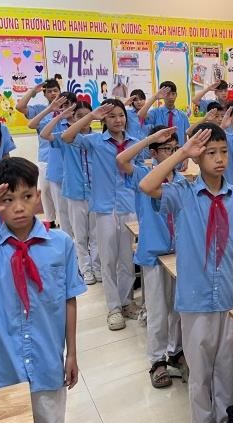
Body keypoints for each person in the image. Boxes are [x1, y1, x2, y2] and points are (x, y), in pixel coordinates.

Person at [139, 124, 233, 423]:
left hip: (228, 294)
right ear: (196, 157)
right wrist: (182, 152)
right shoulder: (183, 193)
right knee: (200, 371)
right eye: (210, 152)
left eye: (223, 152)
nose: (219, 159)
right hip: (195, 297)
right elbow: (147, 185)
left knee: (225, 367)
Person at [0, 157, 85, 423]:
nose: (19, 207)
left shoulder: (61, 244)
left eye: (27, 196)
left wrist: (72, 353)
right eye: (8, 200)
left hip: (47, 363)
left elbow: (69, 299)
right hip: (2, 369)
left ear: (39, 196)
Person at [116, 126, 187, 389]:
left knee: (179, 308)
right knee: (158, 310)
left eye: (175, 149)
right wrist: (151, 139)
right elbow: (121, 160)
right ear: (154, 153)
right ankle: (157, 361)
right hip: (155, 254)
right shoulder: (143, 175)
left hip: (179, 253)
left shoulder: (182, 181)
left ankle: (175, 351)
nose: (172, 153)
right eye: (166, 149)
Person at [61, 100, 139, 331]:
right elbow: (66, 136)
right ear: (104, 119)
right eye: (112, 116)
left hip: (128, 206)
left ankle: (127, 302)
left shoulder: (134, 143)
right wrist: (91, 116)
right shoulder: (95, 141)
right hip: (105, 209)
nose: (118, 120)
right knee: (108, 260)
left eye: (121, 115)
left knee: (127, 259)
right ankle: (113, 308)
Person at [41, 101, 101, 285]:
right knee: (80, 235)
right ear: (72, 118)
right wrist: (60, 115)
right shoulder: (65, 137)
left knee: (96, 235)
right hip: (75, 193)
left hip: (96, 193)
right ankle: (85, 269)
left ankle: (97, 267)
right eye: (79, 116)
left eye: (87, 115)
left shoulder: (98, 138)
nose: (84, 120)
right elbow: (44, 134)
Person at [28, 93, 78, 238]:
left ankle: (81, 242)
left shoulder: (81, 124)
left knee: (79, 212)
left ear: (75, 105)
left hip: (78, 175)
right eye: (62, 105)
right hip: (58, 174)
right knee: (62, 212)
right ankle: (68, 242)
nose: (66, 108)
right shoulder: (55, 123)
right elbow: (32, 125)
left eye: (68, 104)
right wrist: (51, 110)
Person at [15, 79, 63, 227]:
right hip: (45, 158)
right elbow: (20, 107)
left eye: (55, 90)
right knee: (46, 194)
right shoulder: (40, 110)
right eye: (49, 91)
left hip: (62, 159)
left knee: (60, 195)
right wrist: (32, 91)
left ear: (60, 91)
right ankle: (50, 223)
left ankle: (64, 224)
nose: (53, 93)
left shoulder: (67, 110)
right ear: (45, 94)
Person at [138, 82, 191, 151]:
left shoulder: (183, 116)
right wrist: (155, 97)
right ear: (162, 95)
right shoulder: (155, 113)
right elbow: (140, 115)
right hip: (160, 153)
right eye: (168, 94)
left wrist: (185, 155)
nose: (171, 97)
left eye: (173, 94)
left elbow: (185, 137)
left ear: (176, 95)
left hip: (178, 153)